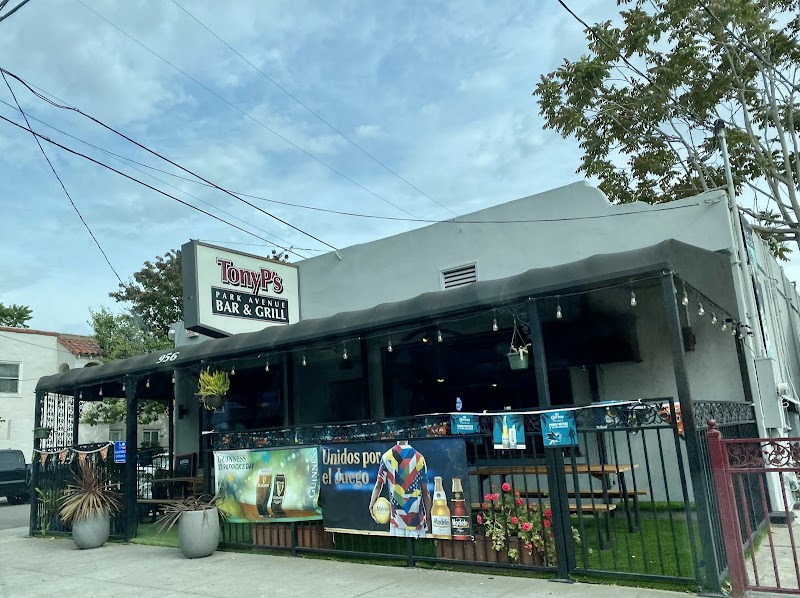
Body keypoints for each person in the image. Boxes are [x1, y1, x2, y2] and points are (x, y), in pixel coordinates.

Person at [368, 439, 431, 537]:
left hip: (396, 520)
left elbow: (378, 485)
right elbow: (425, 492)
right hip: (416, 520)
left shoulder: (386, 457)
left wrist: (371, 505)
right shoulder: (419, 458)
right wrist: (428, 516)